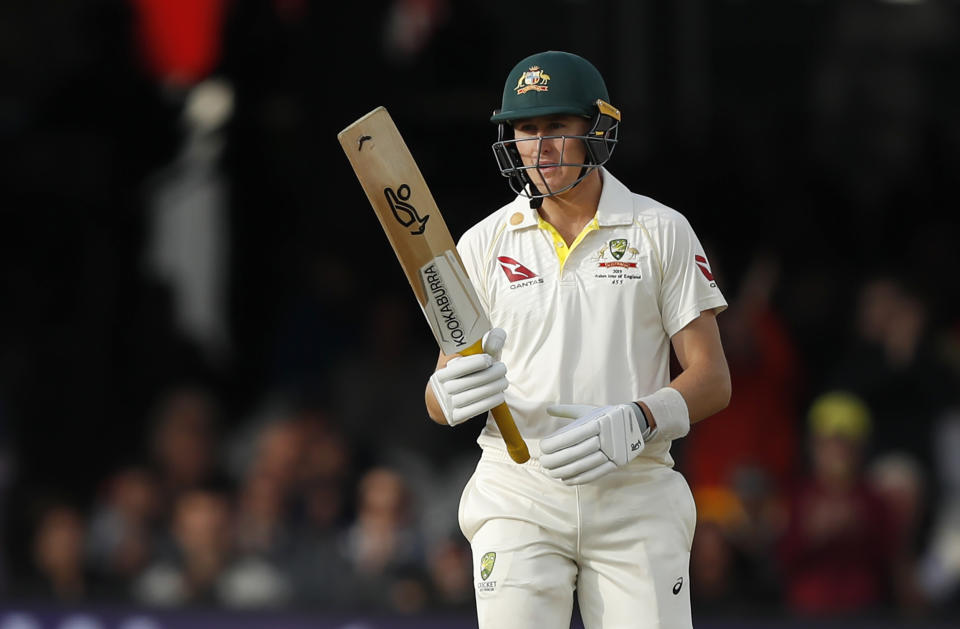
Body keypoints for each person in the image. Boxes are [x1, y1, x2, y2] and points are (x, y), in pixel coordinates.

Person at [424, 51, 731, 629]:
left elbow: (712, 378)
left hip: (635, 489)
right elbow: (440, 390)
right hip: (520, 490)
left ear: (596, 128)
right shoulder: (482, 243)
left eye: (556, 128)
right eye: (525, 130)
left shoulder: (659, 229)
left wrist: (642, 417)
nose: (540, 148)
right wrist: (448, 395)